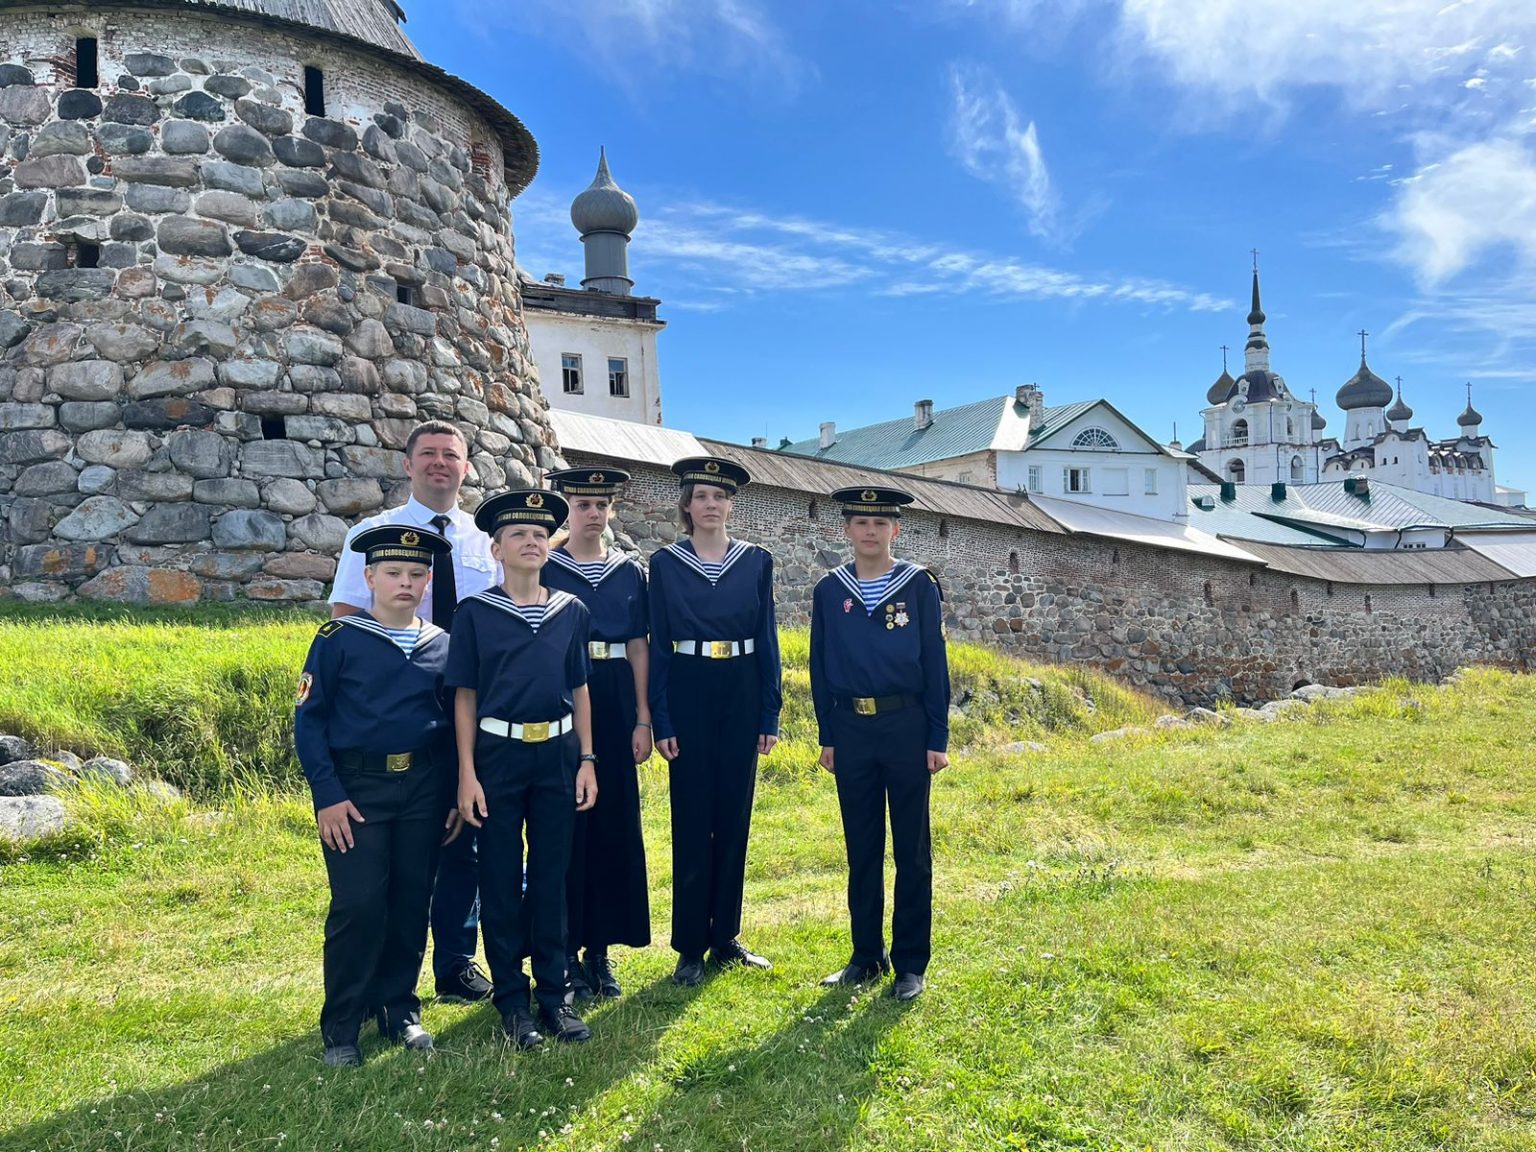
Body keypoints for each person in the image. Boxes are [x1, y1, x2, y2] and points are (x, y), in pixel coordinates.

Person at [331, 420, 496, 1007]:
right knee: (398, 854)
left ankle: (456, 962)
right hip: (400, 707)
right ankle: (383, 981)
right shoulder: (371, 534)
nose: (439, 463)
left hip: (471, 702)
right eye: (427, 454)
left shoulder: (486, 542)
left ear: (467, 466)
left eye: (451, 455)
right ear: (407, 464)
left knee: (465, 834)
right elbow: (347, 615)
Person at [294, 525, 462, 1067]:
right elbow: (309, 721)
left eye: (417, 574)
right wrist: (327, 794)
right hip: (355, 791)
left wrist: (458, 790)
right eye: (393, 573)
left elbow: (455, 724)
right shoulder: (337, 639)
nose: (405, 583)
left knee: (412, 900)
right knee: (360, 904)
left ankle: (399, 1008)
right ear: (369, 577)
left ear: (428, 580)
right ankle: (343, 1024)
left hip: (424, 789)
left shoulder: (442, 644)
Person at [449, 489, 600, 1048]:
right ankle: (513, 1001)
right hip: (497, 759)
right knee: (500, 877)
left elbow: (580, 690)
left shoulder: (571, 611)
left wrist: (587, 759)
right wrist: (466, 772)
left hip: (558, 756)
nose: (532, 541)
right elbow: (464, 697)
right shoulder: (475, 614)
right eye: (519, 534)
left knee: (553, 877)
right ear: (496, 548)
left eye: (540, 534)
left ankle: (554, 995)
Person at [809, 486, 950, 1002]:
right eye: (860, 523)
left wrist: (937, 734)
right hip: (852, 730)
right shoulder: (830, 590)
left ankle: (911, 963)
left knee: (911, 850)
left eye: (880, 523)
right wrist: (827, 733)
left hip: (906, 726)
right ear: (845, 530)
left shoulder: (917, 586)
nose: (870, 531)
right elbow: (820, 666)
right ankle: (865, 956)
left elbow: (935, 664)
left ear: (896, 529)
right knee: (862, 849)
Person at [648, 456, 782, 987]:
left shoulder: (756, 560)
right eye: (700, 496)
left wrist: (769, 709)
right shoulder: (665, 563)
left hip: (741, 687)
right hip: (689, 687)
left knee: (733, 816)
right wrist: (661, 717)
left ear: (732, 504)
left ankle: (726, 935)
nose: (710, 505)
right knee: (691, 816)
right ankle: (689, 946)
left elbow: (768, 636)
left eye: (719, 496)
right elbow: (658, 641)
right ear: (686, 504)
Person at [542, 468, 652, 1000]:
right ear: (568, 507)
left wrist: (643, 717)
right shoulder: (547, 567)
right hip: (562, 695)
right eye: (582, 503)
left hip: (613, 698)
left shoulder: (629, 573)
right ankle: (561, 950)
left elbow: (637, 647)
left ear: (611, 510)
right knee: (565, 824)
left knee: (612, 823)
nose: (592, 513)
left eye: (600, 504)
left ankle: (600, 951)